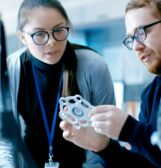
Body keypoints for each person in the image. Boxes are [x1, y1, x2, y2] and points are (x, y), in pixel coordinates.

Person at [60, 0, 161, 167]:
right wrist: (105, 148)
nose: (136, 46)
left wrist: (131, 130)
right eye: (132, 38)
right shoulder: (151, 94)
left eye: (141, 32)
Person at [7, 0, 115, 167]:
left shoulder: (93, 66)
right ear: (22, 37)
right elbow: (4, 139)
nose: (51, 41)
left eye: (58, 30)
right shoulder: (11, 69)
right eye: (40, 34)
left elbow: (107, 132)